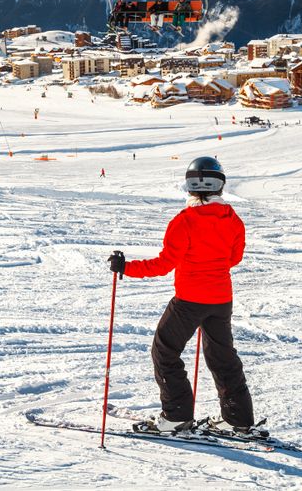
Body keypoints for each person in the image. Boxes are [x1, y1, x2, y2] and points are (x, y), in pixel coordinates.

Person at [108, 157, 256, 436]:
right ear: (220, 187)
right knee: (223, 358)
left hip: (189, 300)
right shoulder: (233, 219)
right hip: (221, 300)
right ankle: (238, 418)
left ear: (189, 188)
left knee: (164, 352)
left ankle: (177, 416)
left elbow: (164, 264)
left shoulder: (184, 221)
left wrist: (127, 267)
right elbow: (233, 258)